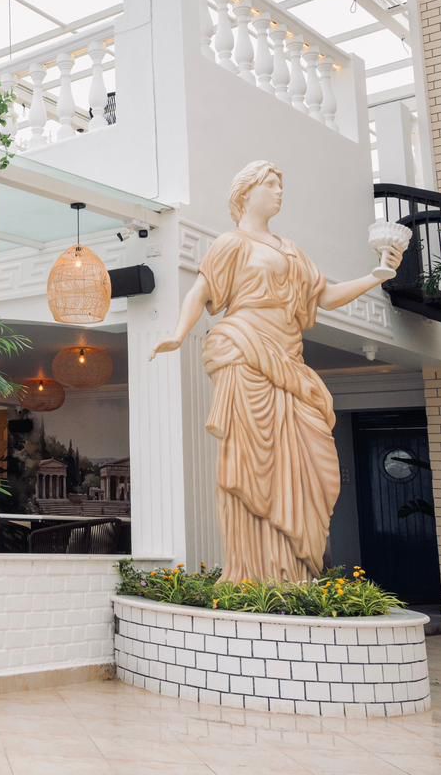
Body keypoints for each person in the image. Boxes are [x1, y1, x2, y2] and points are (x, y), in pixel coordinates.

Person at [151, 161, 403, 583]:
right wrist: (178, 334)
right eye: (270, 184)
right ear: (246, 193)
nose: (278, 191)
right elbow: (202, 290)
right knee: (252, 462)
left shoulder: (292, 249)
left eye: (280, 184)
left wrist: (376, 276)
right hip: (244, 353)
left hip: (289, 361)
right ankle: (254, 571)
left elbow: (326, 296)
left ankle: (294, 570)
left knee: (313, 458)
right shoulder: (230, 243)